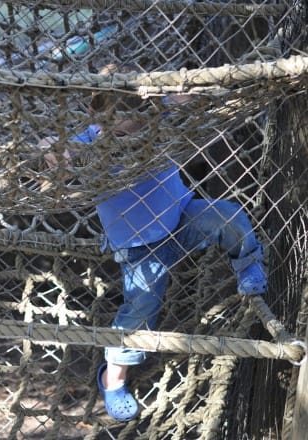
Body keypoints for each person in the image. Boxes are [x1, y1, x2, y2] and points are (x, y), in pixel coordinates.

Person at [40, 64, 267, 422]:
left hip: (181, 217)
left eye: (132, 110)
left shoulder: (159, 119)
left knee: (226, 216)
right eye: (112, 114)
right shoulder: (90, 142)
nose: (125, 122)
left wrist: (182, 91)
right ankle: (112, 379)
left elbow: (189, 98)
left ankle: (248, 263)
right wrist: (53, 153)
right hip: (139, 246)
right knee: (141, 310)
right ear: (96, 114)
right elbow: (57, 151)